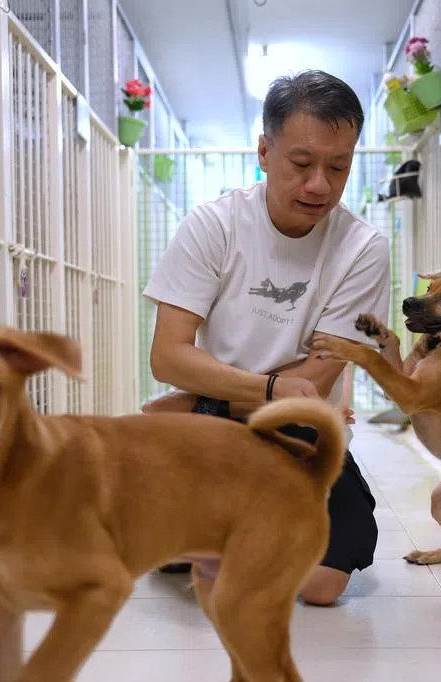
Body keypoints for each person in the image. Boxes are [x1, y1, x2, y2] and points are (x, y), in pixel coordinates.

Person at [139, 70, 392, 606]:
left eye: (338, 166)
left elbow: (316, 379)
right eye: (302, 163)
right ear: (264, 151)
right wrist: (270, 393)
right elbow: (167, 355)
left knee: (324, 585)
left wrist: (200, 398)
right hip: (218, 430)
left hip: (294, 429)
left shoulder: (363, 248)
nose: (319, 184)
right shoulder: (213, 226)